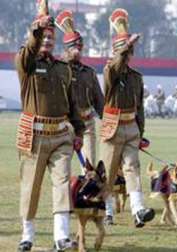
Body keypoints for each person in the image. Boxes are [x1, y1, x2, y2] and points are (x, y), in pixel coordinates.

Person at [15, 1, 85, 251]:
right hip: (34, 136)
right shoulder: (26, 63)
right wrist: (37, 29)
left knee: (63, 183)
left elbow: (73, 103)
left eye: (49, 38)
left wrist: (78, 131)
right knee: (31, 187)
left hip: (61, 136)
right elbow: (29, 50)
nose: (46, 41)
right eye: (43, 37)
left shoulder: (63, 69)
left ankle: (61, 237)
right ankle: (27, 235)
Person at [100, 8, 155, 227]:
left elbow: (139, 107)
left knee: (133, 168)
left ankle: (138, 210)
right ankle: (106, 210)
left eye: (131, 51)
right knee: (109, 172)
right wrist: (124, 47)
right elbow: (115, 66)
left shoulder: (136, 78)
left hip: (131, 127)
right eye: (125, 51)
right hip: (113, 126)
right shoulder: (109, 72)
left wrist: (141, 132)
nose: (129, 55)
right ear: (117, 52)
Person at [55, 10, 104, 170]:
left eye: (80, 47)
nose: (79, 50)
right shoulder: (58, 70)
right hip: (64, 125)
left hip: (87, 123)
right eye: (76, 47)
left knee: (89, 167)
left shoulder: (89, 72)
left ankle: (85, 193)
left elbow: (99, 100)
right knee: (63, 167)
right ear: (68, 48)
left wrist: (110, 122)